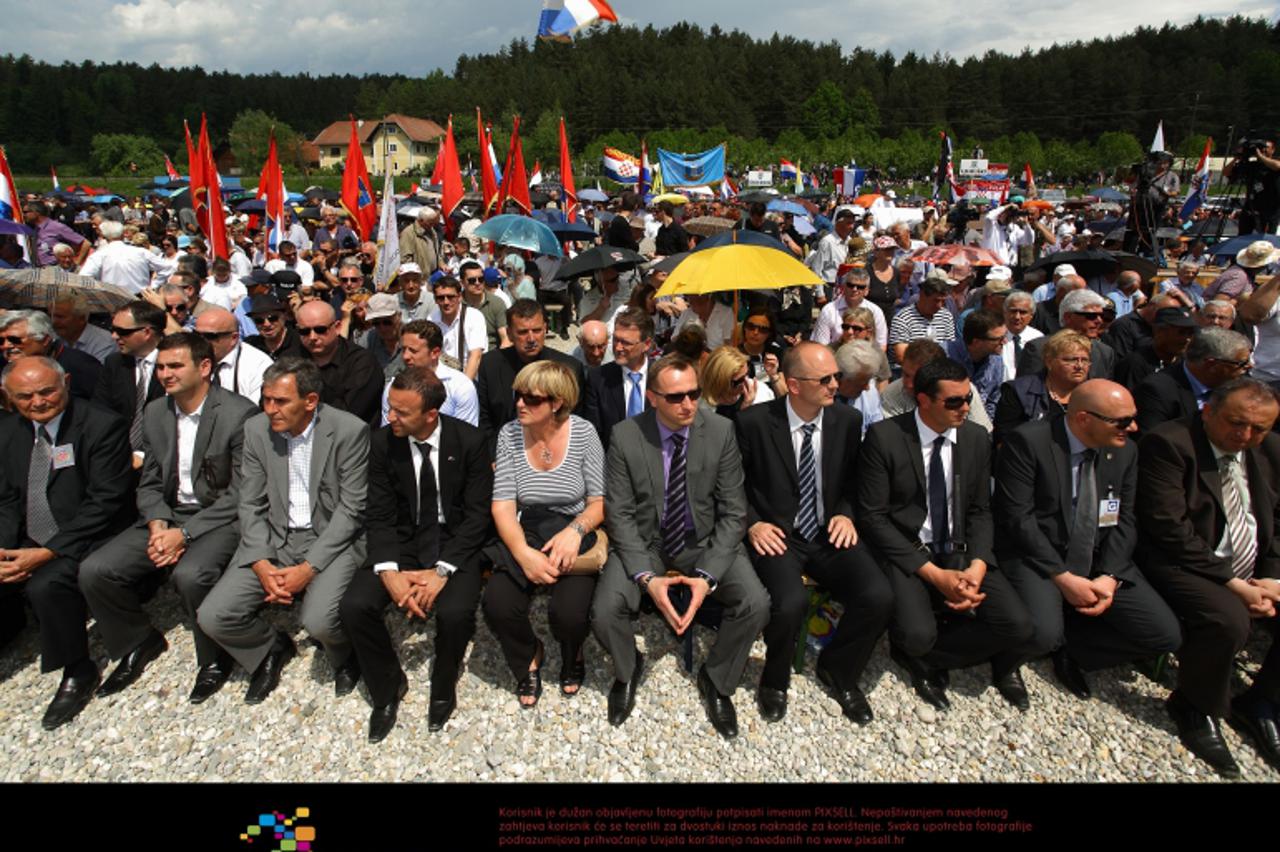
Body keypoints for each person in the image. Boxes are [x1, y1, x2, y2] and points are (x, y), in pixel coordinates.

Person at [589, 354, 770, 737]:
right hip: (646, 541)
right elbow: (618, 513)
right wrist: (646, 578)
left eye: (693, 393)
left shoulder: (720, 431)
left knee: (756, 603)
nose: (688, 404)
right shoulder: (625, 435)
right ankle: (627, 669)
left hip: (704, 541)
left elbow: (734, 511)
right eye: (675, 397)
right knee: (605, 612)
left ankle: (718, 680)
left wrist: (707, 577)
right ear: (652, 397)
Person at [79, 333, 257, 705]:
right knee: (95, 570)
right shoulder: (157, 411)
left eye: (175, 366)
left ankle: (213, 658)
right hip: (169, 513)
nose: (165, 374)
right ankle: (135, 640)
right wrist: (159, 523)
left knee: (191, 575)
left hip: (217, 517)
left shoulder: (239, 414)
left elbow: (242, 493)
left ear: (204, 367)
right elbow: (151, 479)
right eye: (160, 366)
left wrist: (186, 534)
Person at [857, 358, 1034, 711]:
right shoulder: (886, 437)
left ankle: (934, 658)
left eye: (967, 398)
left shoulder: (975, 438)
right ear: (923, 400)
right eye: (953, 401)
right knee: (916, 635)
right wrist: (935, 576)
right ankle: (916, 649)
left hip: (960, 549)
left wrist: (978, 567)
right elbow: (873, 518)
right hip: (910, 549)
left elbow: (981, 509)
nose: (965, 407)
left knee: (1018, 626)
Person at [993, 380, 1181, 702]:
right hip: (1040, 555)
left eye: (1132, 418)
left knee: (1163, 635)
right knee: (1040, 634)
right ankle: (1007, 660)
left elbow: (1125, 518)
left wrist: (1110, 576)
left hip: (1097, 556)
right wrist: (1063, 578)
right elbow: (1017, 519)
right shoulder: (1029, 442)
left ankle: (1074, 649)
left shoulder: (1125, 451)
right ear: (1083, 419)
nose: (1133, 427)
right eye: (1122, 421)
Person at [735, 343, 893, 725]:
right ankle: (774, 681)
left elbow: (856, 480)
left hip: (827, 532)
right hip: (777, 534)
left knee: (879, 597)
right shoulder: (754, 423)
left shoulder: (846, 421)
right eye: (824, 379)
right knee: (789, 604)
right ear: (793, 385)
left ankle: (838, 670)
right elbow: (731, 486)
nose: (835, 384)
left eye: (835, 376)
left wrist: (846, 513)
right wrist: (752, 523)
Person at [197, 358, 369, 705]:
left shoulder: (349, 431)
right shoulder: (257, 430)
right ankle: (268, 648)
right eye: (266, 399)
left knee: (320, 620)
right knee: (213, 616)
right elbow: (250, 502)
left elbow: (351, 511)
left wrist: (307, 570)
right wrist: (261, 561)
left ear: (310, 401)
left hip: (330, 540)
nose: (270, 409)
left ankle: (345, 654)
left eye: (280, 401)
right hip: (275, 538)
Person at [1137, 378, 1280, 777]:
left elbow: (1279, 521)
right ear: (1208, 411)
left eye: (1259, 428)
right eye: (1237, 423)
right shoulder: (1170, 444)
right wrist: (1233, 584)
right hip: (1185, 561)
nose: (1246, 435)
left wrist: (1273, 578)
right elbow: (1168, 527)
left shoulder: (1270, 450)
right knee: (1227, 620)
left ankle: (1263, 702)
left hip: (1252, 566)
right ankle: (1195, 705)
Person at [339, 367, 492, 741]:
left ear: (430, 415)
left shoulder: (470, 442)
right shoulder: (381, 443)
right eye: (390, 408)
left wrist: (441, 572)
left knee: (456, 613)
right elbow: (379, 512)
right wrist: (389, 570)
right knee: (355, 606)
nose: (390, 417)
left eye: (401, 412)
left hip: (454, 541)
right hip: (403, 540)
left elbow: (476, 516)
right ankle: (386, 688)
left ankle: (443, 685)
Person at [0, 356, 133, 729]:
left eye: (46, 391)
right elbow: (7, 498)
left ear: (66, 383)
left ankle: (77, 668)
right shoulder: (8, 432)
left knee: (47, 583)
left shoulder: (101, 425)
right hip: (31, 532)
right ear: (10, 398)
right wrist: (5, 548)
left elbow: (106, 500)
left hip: (88, 531)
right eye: (26, 396)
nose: (38, 402)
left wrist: (48, 551)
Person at [481, 362, 604, 708]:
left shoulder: (583, 433)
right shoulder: (509, 434)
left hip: (572, 529)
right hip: (528, 530)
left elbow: (598, 502)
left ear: (557, 402)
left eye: (532, 399)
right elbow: (503, 506)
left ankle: (572, 651)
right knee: (498, 604)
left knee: (570, 614)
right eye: (518, 396)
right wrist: (523, 555)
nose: (520, 404)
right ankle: (528, 654)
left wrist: (575, 531)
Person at [475, 300, 586, 436]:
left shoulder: (569, 368)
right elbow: (484, 420)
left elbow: (574, 422)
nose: (531, 338)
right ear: (509, 333)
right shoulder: (490, 364)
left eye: (537, 330)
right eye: (523, 332)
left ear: (545, 328)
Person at [92, 300, 168, 458]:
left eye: (122, 331)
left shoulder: (174, 364)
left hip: (160, 456)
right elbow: (100, 410)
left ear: (147, 332)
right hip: (117, 453)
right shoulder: (114, 363)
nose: (114, 336)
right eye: (113, 330)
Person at [994, 330, 1093, 448]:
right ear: (1049, 362)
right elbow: (1005, 441)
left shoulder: (1095, 395)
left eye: (1085, 360)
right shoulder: (1019, 392)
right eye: (1071, 360)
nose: (1079, 366)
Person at [294, 300, 383, 423]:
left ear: (337, 327)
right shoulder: (291, 361)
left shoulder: (362, 363)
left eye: (320, 330)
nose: (312, 337)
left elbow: (347, 414)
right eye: (305, 331)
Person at [379, 320, 479, 427]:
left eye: (413, 351)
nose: (405, 356)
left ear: (435, 353)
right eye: (403, 349)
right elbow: (388, 431)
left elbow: (465, 435)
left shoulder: (460, 386)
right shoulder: (393, 387)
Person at [881, 339, 993, 432]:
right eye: (906, 375)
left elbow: (983, 431)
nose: (909, 384)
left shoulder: (962, 390)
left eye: (916, 378)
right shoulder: (892, 393)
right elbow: (892, 438)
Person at [583, 307, 652, 452]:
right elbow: (593, 434)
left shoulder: (663, 376)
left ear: (646, 344)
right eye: (615, 340)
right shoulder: (598, 378)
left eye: (626, 342)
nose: (618, 347)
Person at [0, 310, 101, 401]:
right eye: (1, 341)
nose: (5, 346)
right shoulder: (3, 363)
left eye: (14, 340)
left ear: (44, 339)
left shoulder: (81, 365)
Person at [1017, 289, 1116, 380]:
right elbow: (1025, 391)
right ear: (1068, 317)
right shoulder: (1039, 348)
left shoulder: (1105, 352)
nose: (1099, 321)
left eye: (1102, 316)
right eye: (1091, 316)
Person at [194, 307, 273, 404]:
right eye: (196, 335)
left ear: (234, 338)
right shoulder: (188, 358)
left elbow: (254, 412)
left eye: (210, 336)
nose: (201, 341)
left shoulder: (258, 364)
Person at [80, 221, 176, 294]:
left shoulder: (98, 255)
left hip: (114, 300)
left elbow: (84, 278)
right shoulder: (141, 252)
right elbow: (167, 268)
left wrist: (100, 291)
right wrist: (154, 286)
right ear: (122, 235)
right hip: (141, 297)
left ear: (104, 236)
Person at [1113, 307, 1197, 392]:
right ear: (1159, 331)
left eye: (1190, 333)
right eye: (1181, 332)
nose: (1187, 339)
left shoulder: (1185, 364)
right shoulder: (1134, 365)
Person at [945, 310, 1007, 422]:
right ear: (976, 342)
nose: (1005, 342)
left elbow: (992, 402)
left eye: (1004, 336)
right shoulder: (944, 356)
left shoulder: (997, 362)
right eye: (998, 339)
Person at [811, 266, 887, 349]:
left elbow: (881, 345)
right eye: (850, 285)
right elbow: (821, 345)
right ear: (844, 286)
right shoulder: (829, 310)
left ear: (866, 291)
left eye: (860, 287)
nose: (854, 289)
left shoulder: (876, 312)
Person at [888, 274, 957, 366]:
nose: (940, 305)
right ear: (922, 295)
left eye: (943, 301)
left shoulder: (946, 316)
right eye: (936, 301)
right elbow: (902, 356)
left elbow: (950, 349)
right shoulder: (903, 319)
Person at [428, 275, 487, 381]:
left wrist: (464, 386)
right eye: (441, 298)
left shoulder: (473, 316)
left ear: (459, 297)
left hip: (468, 376)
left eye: (450, 297)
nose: (446, 302)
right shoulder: (432, 319)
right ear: (435, 300)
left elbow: (476, 355)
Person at [50, 293, 115, 364]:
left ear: (81, 319)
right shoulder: (53, 336)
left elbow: (98, 373)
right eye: (51, 316)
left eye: (60, 317)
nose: (53, 321)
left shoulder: (104, 343)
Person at [23, 200, 90, 267]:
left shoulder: (56, 227)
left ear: (36, 213)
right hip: (40, 269)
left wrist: (76, 263)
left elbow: (86, 243)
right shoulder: (36, 229)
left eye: (26, 212)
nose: (24, 215)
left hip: (55, 268)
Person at [1000, 291, 1042, 380]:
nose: (1017, 317)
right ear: (1004, 312)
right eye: (1013, 311)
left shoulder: (1038, 338)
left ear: (1031, 316)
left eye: (1023, 312)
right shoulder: (994, 336)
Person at [399, 207, 443, 274]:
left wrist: (441, 263)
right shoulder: (408, 233)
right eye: (430, 223)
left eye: (433, 223)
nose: (432, 225)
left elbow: (436, 251)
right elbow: (405, 259)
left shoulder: (432, 231)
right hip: (419, 277)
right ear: (421, 220)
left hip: (434, 274)